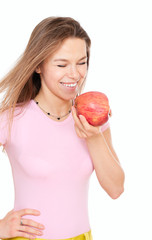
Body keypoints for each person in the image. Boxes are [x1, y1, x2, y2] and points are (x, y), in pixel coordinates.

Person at [0, 17, 125, 240]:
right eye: (61, 64)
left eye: (81, 62)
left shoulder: (94, 118)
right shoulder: (10, 118)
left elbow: (116, 189)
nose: (75, 74)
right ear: (38, 65)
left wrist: (94, 137)